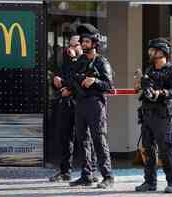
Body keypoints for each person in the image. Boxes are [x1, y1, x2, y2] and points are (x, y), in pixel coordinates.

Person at [68, 24, 114, 189]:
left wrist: (94, 80)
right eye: (83, 41)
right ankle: (86, 175)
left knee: (99, 140)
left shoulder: (102, 62)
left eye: (87, 41)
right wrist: (69, 88)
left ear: (95, 43)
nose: (84, 44)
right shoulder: (80, 61)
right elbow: (73, 78)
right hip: (80, 104)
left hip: (95, 104)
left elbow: (109, 85)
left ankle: (108, 176)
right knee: (83, 140)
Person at [135, 38, 172, 193]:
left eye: (153, 50)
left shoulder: (171, 70)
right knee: (147, 149)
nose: (149, 52)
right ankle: (149, 182)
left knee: (166, 149)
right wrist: (141, 88)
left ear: (161, 52)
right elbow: (145, 92)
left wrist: (160, 93)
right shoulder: (149, 70)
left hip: (163, 115)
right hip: (147, 114)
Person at [49, 33, 98, 182]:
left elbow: (81, 80)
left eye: (75, 45)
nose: (71, 48)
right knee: (65, 136)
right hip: (66, 102)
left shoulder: (88, 61)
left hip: (82, 103)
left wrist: (68, 85)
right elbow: (64, 78)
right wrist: (56, 80)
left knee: (86, 138)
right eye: (70, 45)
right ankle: (65, 171)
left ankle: (91, 171)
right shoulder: (66, 60)